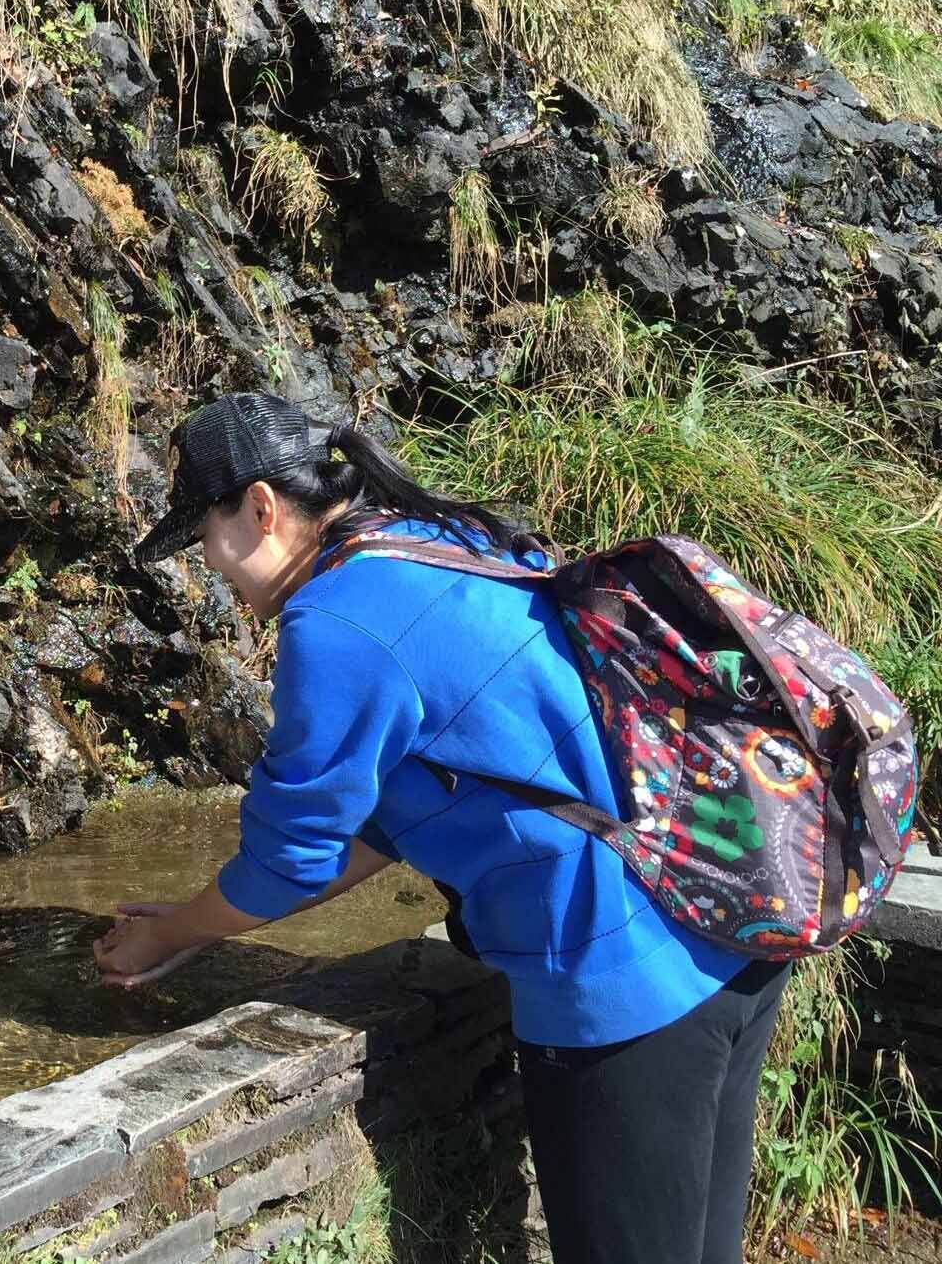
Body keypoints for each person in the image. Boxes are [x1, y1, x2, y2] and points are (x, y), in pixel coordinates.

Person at [96, 390, 787, 1264]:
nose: (209, 565)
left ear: (261, 509)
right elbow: (391, 817)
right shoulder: (437, 537)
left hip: (622, 970)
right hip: (719, 912)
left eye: (203, 536)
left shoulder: (336, 621)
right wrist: (199, 923)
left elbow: (290, 857)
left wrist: (174, 931)